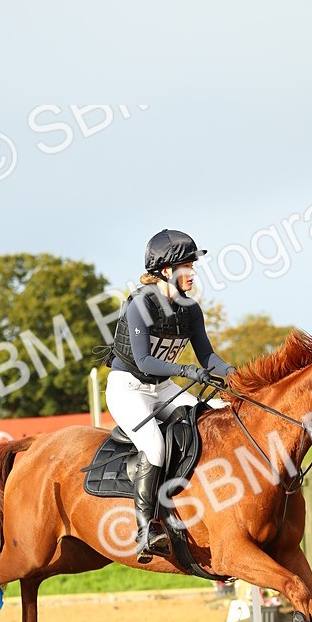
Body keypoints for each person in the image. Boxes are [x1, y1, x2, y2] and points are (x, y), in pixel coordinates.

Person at [104, 229, 235, 558]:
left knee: (212, 419)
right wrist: (186, 371)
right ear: (166, 271)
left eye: (193, 265)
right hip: (128, 388)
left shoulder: (190, 309)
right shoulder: (140, 305)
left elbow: (207, 357)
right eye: (186, 266)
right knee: (154, 445)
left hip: (163, 388)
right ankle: (146, 529)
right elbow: (146, 361)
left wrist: (237, 375)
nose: (193, 273)